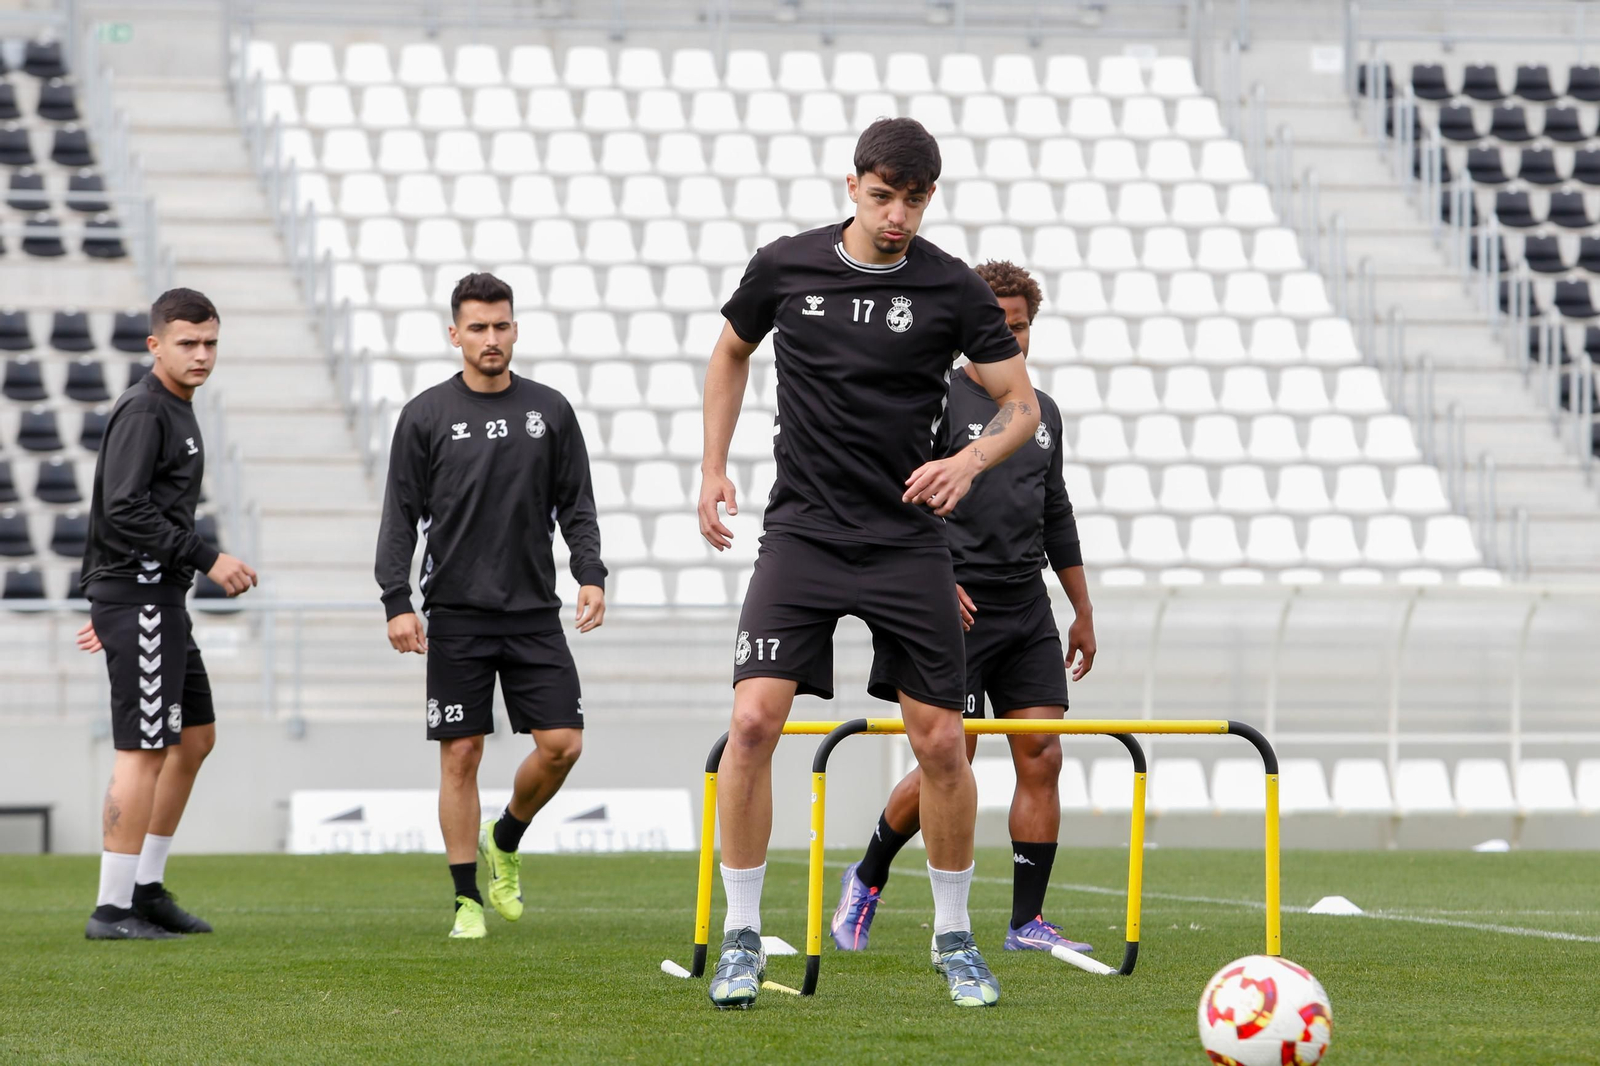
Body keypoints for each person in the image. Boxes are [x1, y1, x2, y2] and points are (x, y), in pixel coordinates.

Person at [697, 118, 1041, 1010]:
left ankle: (956, 939)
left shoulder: (951, 287)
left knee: (942, 743)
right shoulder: (787, 265)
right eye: (883, 196)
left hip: (906, 541)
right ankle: (740, 936)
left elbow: (1020, 407)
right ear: (852, 186)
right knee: (751, 726)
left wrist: (967, 462)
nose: (897, 216)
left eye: (914, 200)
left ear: (931, 198)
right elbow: (731, 351)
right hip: (803, 537)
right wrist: (711, 466)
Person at [832, 259, 1099, 957]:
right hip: (948, 604)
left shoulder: (1042, 413)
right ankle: (867, 877)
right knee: (953, 760)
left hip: (1024, 609)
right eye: (1001, 328)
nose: (1014, 339)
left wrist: (1081, 609)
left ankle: (1025, 922)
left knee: (1042, 753)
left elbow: (1056, 512)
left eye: (1023, 328)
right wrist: (932, 577)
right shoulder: (935, 399)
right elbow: (894, 492)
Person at [375, 271, 607, 940]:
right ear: (455, 335)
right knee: (461, 755)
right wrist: (397, 598)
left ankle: (505, 837)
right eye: (477, 328)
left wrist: (590, 573)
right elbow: (400, 518)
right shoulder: (424, 416)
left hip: (534, 611)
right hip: (457, 614)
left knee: (563, 745)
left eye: (501, 325)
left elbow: (576, 505)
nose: (491, 338)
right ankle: (465, 900)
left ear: (515, 328)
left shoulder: (550, 411)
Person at [78, 287, 258, 940]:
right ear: (156, 345)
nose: (202, 354)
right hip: (141, 596)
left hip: (154, 601)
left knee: (196, 738)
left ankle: (146, 889)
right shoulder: (147, 409)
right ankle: (111, 909)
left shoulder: (178, 407)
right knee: (143, 751)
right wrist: (205, 558)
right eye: (188, 342)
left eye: (211, 342)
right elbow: (122, 507)